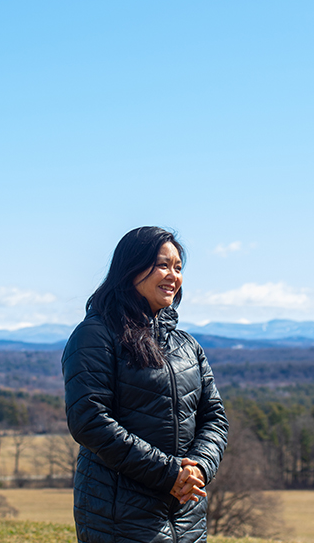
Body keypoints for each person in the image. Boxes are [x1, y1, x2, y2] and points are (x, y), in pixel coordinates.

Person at [62, 226, 229, 543]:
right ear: (131, 268)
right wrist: (169, 473)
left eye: (178, 268)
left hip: (186, 513)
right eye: (163, 265)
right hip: (118, 515)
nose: (173, 276)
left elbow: (214, 418)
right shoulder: (95, 335)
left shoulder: (187, 346)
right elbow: (89, 420)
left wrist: (198, 469)